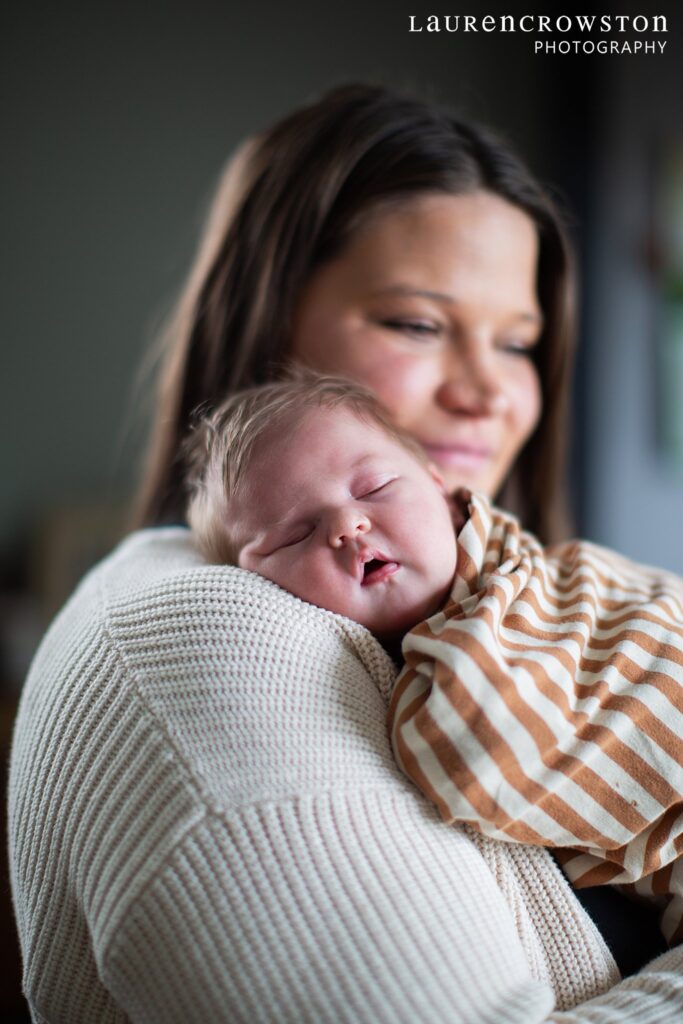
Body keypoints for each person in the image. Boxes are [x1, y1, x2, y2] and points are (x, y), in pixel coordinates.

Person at [9, 83, 683, 1022]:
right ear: (270, 322)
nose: (491, 391)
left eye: (520, 342)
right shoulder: (203, 639)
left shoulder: (522, 602)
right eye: (415, 323)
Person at [185, 370, 683, 946]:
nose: (349, 526)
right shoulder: (435, 652)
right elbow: (480, 753)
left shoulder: (525, 586)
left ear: (444, 492)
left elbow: (477, 759)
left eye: (373, 488)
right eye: (293, 536)